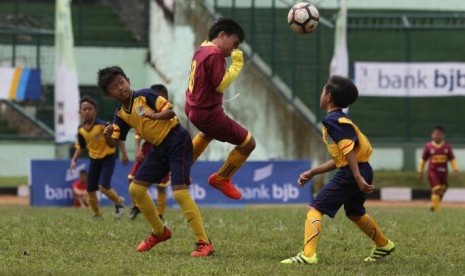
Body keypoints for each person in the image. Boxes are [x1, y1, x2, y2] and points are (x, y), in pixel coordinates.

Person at [99, 66, 213, 257]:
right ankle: (160, 232)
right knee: (135, 189)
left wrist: (155, 115)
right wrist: (107, 135)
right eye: (113, 87)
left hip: (177, 140)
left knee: (180, 193)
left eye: (121, 82)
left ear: (128, 80)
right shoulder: (120, 114)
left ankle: (204, 243)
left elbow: (170, 112)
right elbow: (114, 142)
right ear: (108, 95)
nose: (120, 87)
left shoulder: (145, 95)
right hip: (158, 149)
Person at [281, 76, 395, 265]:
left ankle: (308, 255)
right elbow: (342, 158)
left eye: (323, 91)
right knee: (355, 212)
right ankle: (383, 245)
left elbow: (348, 150)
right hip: (361, 168)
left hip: (354, 172)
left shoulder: (332, 120)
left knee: (315, 208)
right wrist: (313, 172)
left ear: (329, 97)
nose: (321, 95)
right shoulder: (341, 118)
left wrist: (356, 176)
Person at [184, 18, 256, 200]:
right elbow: (220, 84)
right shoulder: (214, 54)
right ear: (222, 35)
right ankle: (221, 179)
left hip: (193, 108)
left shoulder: (201, 50)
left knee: (208, 133)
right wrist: (237, 64)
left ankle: (179, 169)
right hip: (208, 113)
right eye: (235, 43)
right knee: (248, 143)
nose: (234, 49)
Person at [70, 96, 128, 219]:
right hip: (94, 159)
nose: (87, 111)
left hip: (108, 157)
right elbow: (81, 146)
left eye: (90, 109)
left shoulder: (103, 125)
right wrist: (74, 161)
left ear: (95, 111)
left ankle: (119, 202)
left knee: (103, 187)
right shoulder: (80, 129)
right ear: (80, 112)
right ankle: (97, 214)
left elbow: (118, 135)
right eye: (84, 109)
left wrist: (123, 153)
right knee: (90, 189)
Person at [127, 84, 170, 220]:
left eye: (161, 96)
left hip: (164, 149)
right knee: (132, 179)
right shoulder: (142, 110)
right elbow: (138, 132)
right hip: (147, 149)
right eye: (155, 96)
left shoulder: (169, 112)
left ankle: (160, 214)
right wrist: (137, 149)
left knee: (162, 185)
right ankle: (136, 206)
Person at [418, 125, 459, 212]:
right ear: (432, 135)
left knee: (444, 188)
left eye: (440, 134)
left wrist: (455, 169)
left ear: (443, 135)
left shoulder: (446, 147)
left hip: (443, 173)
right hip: (433, 172)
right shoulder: (428, 146)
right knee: (437, 188)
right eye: (436, 134)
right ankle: (436, 210)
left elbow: (452, 159)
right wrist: (420, 171)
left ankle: (433, 204)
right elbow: (423, 160)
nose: (438, 136)